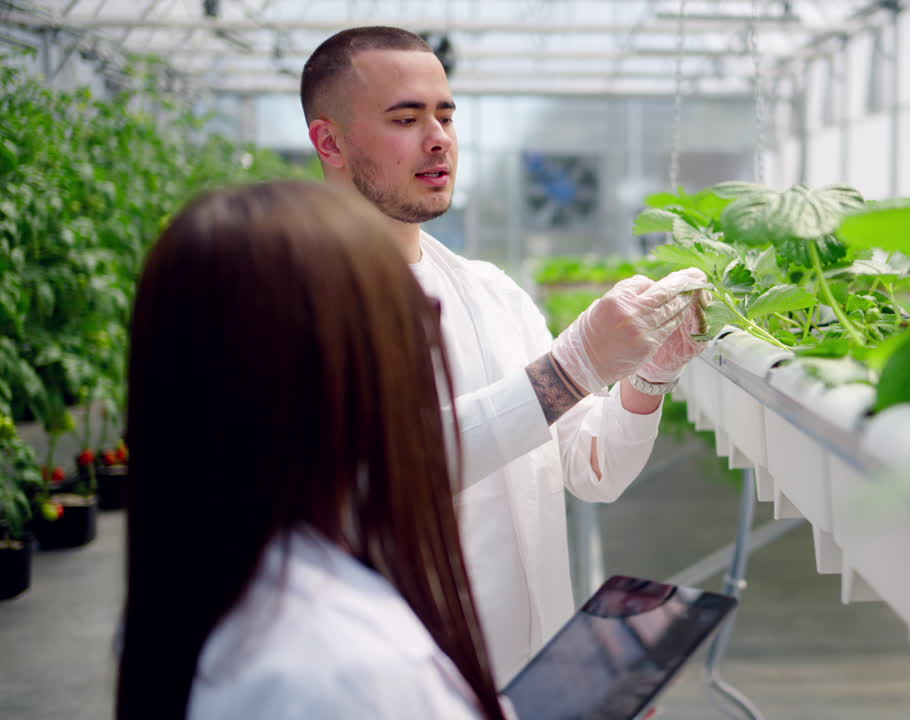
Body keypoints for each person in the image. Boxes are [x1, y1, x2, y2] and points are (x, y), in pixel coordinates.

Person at [299, 26, 708, 684]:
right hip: (405, 689)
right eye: (405, 118)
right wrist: (569, 371)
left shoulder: (491, 292)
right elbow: (373, 473)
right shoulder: (301, 299)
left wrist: (647, 378)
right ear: (329, 141)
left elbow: (592, 468)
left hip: (536, 682)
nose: (438, 138)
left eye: (446, 114)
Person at [115, 181, 505, 719]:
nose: (428, 326)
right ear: (323, 376)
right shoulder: (352, 669)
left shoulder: (197, 589)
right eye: (391, 316)